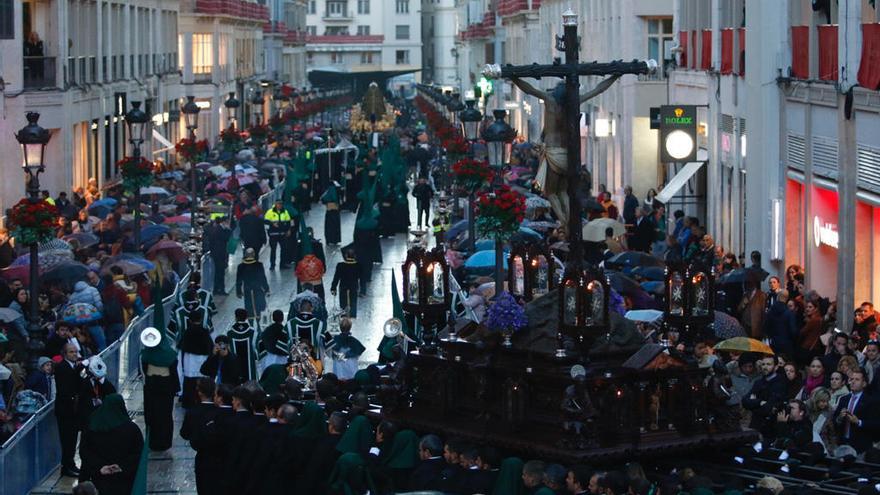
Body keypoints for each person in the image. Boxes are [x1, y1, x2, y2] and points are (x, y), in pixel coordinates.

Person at [78, 394, 144, 494]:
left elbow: (84, 452)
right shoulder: (132, 429)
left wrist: (100, 467)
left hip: (99, 481)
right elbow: (138, 454)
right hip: (124, 482)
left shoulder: (92, 426)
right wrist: (121, 466)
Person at [170, 290, 213, 408]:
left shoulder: (188, 331)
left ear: (190, 320)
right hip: (202, 360)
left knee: (189, 381)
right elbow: (210, 346)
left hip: (189, 360)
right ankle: (201, 400)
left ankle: (187, 401)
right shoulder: (204, 331)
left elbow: (181, 346)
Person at [141, 324, 179, 450]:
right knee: (165, 415)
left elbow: (143, 370)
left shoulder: (146, 355)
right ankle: (165, 441)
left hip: (152, 387)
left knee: (152, 415)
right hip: (166, 387)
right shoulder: (170, 354)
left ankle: (153, 441)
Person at [180, 378, 218, 494]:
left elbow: (184, 433)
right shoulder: (219, 410)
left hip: (203, 457)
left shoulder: (193, 412)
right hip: (220, 457)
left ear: (200, 392)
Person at [832, 368, 878, 453]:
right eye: (851, 379)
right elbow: (834, 420)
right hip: (842, 443)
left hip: (861, 446)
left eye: (857, 379)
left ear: (864, 383)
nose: (853, 382)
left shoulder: (871, 401)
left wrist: (858, 422)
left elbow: (876, 424)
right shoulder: (843, 399)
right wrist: (839, 418)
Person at [742, 355, 788, 439]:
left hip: (771, 428)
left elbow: (768, 408)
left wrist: (754, 403)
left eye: (768, 364)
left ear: (776, 367)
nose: (765, 367)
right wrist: (760, 402)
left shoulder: (780, 383)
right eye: (763, 364)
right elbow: (745, 401)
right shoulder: (758, 382)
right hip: (755, 425)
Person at [55, 343, 83, 477]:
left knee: (72, 439)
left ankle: (70, 464)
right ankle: (67, 466)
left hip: (73, 410)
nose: (74, 354)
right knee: (67, 439)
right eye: (71, 352)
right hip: (65, 411)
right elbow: (67, 387)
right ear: (65, 354)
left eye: (75, 352)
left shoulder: (73, 367)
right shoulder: (62, 367)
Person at [236, 247, 270, 321]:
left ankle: (251, 324)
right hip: (258, 290)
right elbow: (263, 278)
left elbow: (239, 281)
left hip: (247, 290)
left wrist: (238, 292)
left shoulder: (241, 266)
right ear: (253, 254)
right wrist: (267, 289)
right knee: (260, 307)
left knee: (249, 308)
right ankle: (259, 325)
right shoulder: (259, 265)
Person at [227, 308, 259, 382]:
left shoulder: (229, 333)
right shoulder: (253, 332)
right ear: (246, 317)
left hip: (235, 366)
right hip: (249, 368)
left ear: (235, 317)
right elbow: (255, 350)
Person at [204, 217, 233, 295]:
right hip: (219, 254)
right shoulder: (220, 230)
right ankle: (220, 289)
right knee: (220, 272)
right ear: (224, 222)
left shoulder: (217, 229)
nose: (228, 224)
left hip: (218, 253)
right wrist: (229, 230)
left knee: (218, 272)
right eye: (227, 222)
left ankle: (217, 289)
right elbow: (225, 238)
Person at [258, 310, 291, 376]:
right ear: (282, 318)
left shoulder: (267, 330)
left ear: (272, 318)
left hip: (268, 358)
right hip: (281, 358)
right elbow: (286, 345)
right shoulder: (284, 330)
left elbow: (261, 342)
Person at [331, 248, 361, 318]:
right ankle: (353, 315)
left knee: (343, 301)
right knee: (353, 300)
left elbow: (336, 277)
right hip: (354, 286)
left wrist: (333, 287)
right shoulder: (358, 265)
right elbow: (361, 278)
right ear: (355, 256)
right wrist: (362, 289)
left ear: (346, 255)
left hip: (343, 286)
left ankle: (343, 314)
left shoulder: (340, 265)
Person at [264, 200, 293, 270]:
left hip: (282, 234)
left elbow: (289, 222)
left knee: (284, 249)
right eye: (278, 204)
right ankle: (272, 265)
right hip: (273, 235)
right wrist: (272, 224)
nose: (279, 205)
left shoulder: (285, 212)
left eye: (281, 204)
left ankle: (282, 264)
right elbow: (265, 221)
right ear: (275, 204)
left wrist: (289, 230)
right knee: (273, 250)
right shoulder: (270, 212)